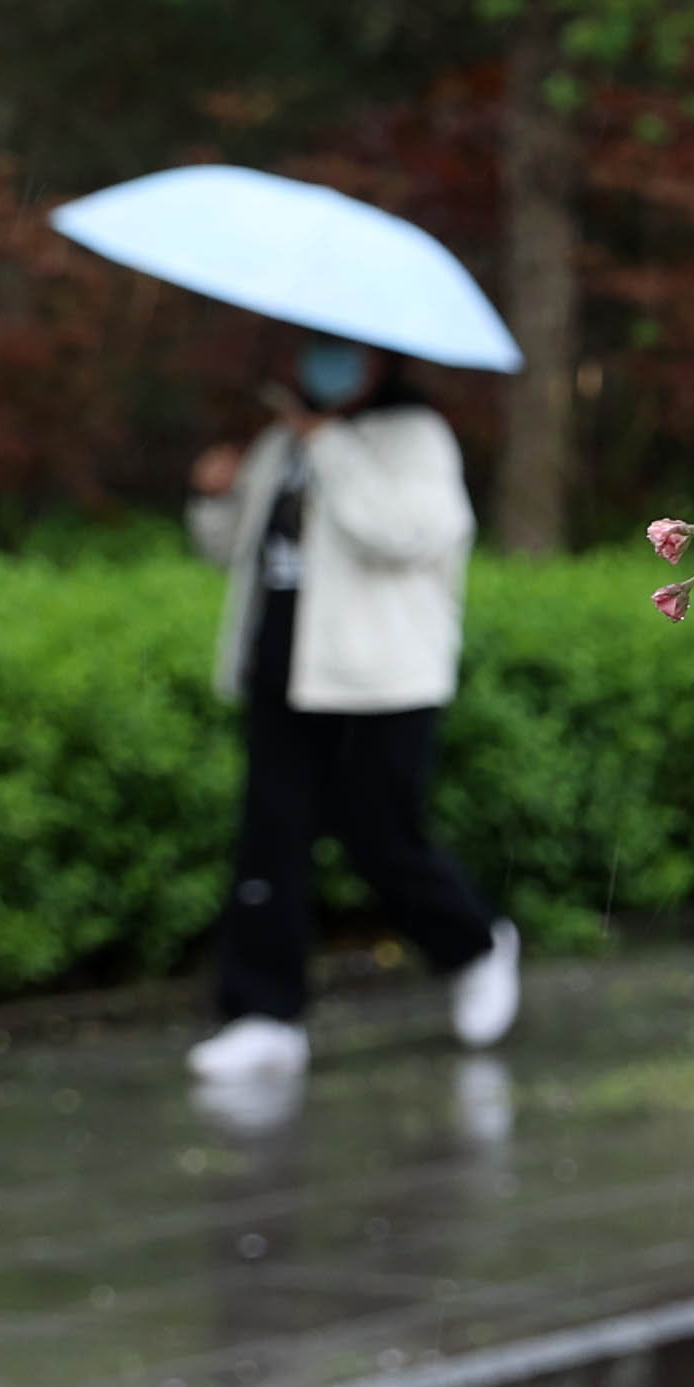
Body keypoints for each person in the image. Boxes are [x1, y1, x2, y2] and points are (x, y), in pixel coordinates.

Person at [182, 336, 520, 1089]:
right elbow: (231, 548)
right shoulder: (278, 442)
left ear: (383, 362)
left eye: (348, 355)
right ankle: (263, 1017)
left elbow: (404, 535)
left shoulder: (414, 437)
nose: (323, 365)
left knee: (382, 835)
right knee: (270, 842)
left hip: (383, 676)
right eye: (312, 350)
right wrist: (214, 496)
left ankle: (473, 947)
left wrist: (328, 444)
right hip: (282, 667)